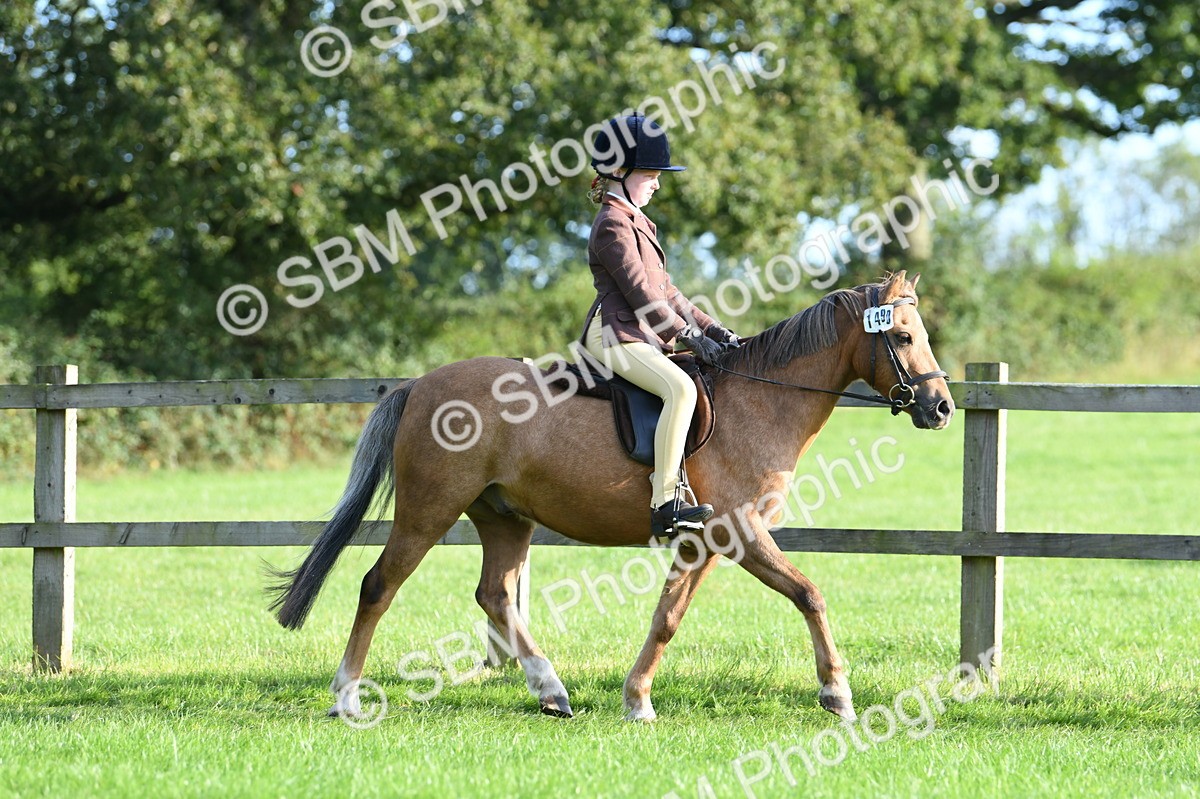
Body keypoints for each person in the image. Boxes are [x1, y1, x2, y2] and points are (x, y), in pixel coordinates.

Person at [580, 114, 740, 542]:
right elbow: (641, 296)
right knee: (681, 389)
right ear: (619, 172)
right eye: (650, 174)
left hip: (642, 333)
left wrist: (716, 330)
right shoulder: (612, 225)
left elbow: (671, 294)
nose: (657, 183)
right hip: (616, 333)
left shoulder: (638, 222)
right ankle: (665, 503)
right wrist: (686, 337)